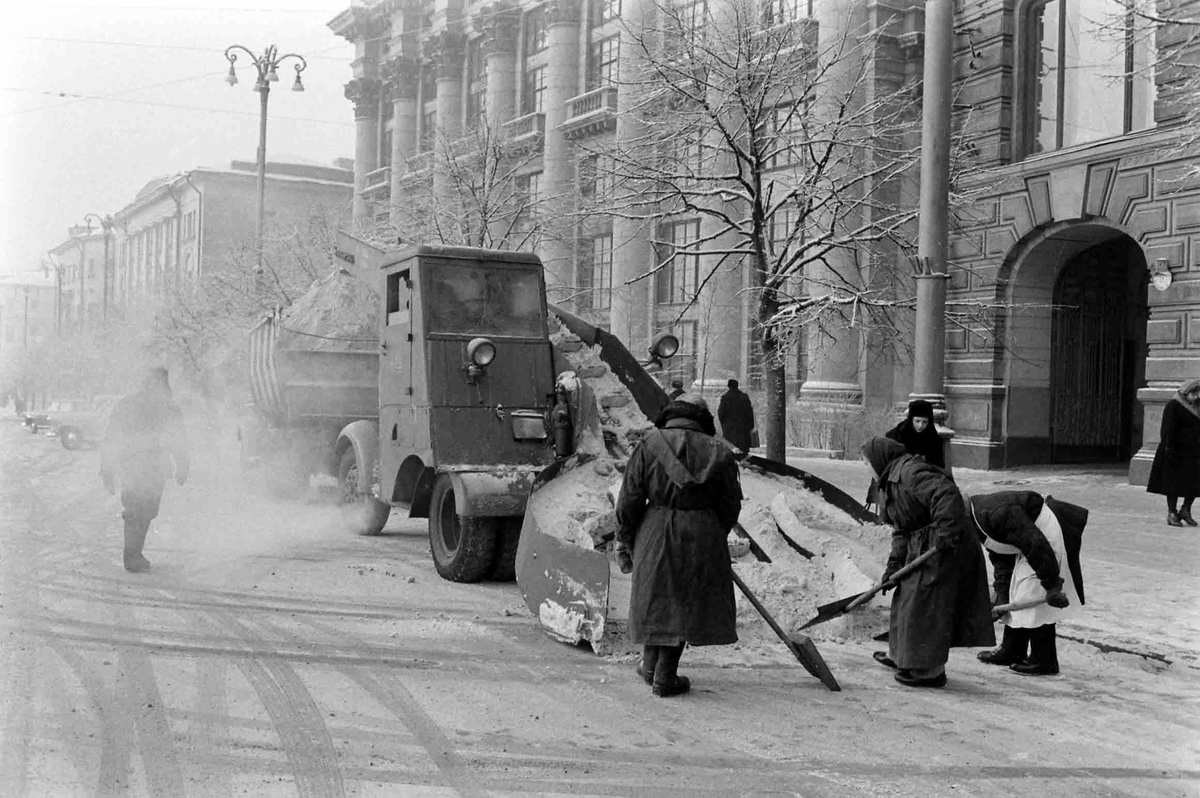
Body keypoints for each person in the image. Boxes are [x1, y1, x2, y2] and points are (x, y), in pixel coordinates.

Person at [615, 394, 742, 697]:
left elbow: (629, 499)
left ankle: (657, 672)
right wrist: (713, 532)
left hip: (656, 529)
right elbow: (731, 505)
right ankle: (659, 673)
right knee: (686, 600)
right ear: (703, 418)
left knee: (657, 596)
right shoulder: (720, 452)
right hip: (703, 532)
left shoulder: (649, 444)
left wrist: (626, 537)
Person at [861, 436, 994, 687]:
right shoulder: (888, 483)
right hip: (923, 544)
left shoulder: (910, 472)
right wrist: (893, 567)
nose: (866, 467)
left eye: (866, 462)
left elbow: (946, 494)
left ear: (879, 458)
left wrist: (945, 534)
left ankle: (930, 671)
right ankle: (903, 656)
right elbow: (901, 530)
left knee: (927, 603)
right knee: (906, 596)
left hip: (947, 544)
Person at [965, 491, 1086, 676]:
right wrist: (1002, 593)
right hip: (1032, 540)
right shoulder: (976, 520)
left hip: (1048, 534)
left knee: (1033, 591)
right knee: (1017, 590)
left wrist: (1051, 585)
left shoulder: (996, 513)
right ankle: (1013, 650)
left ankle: (1044, 660)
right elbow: (1001, 555)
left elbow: (1036, 545)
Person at [100, 367, 190, 573]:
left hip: (146, 466)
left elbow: (178, 438)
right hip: (139, 466)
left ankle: (134, 553)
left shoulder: (159, 407)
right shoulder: (139, 406)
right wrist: (107, 468)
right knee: (137, 510)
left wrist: (182, 463)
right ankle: (132, 556)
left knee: (145, 510)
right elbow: (112, 437)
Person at [1146, 379, 1200, 527]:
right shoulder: (1174, 405)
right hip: (1176, 451)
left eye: (1198, 393)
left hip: (1194, 452)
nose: (1196, 397)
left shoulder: (1198, 406)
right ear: (1185, 393)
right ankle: (1172, 513)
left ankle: (1186, 509)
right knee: (1173, 484)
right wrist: (1168, 449)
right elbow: (1167, 429)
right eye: (1193, 394)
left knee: (1195, 483)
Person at [885, 399, 946, 470]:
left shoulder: (934, 440)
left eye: (925, 422)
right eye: (917, 421)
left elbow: (939, 467)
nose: (920, 425)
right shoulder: (896, 436)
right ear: (911, 419)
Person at [717, 378, 756, 454]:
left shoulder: (725, 397)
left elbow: (720, 413)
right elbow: (750, 415)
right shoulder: (744, 397)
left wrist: (724, 425)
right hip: (743, 431)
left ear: (728, 386)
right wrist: (750, 427)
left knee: (730, 452)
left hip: (729, 432)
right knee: (743, 453)